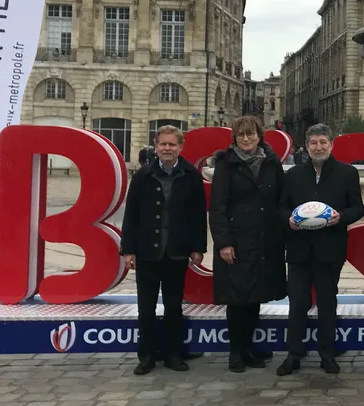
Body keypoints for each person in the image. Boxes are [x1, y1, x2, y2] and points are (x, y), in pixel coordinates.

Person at [276, 124, 364, 376]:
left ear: (331, 144)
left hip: (330, 249)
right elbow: (281, 208)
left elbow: (357, 208)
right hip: (299, 249)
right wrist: (289, 220)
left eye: (323, 142)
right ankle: (294, 354)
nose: (318, 147)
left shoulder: (347, 173)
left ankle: (327, 353)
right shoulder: (293, 175)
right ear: (306, 146)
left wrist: (341, 217)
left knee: (327, 302)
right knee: (297, 303)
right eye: (313, 142)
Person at [120, 125, 207, 376]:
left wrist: (197, 247)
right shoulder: (143, 175)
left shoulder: (190, 175)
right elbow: (131, 214)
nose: (167, 148)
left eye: (172, 144)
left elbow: (198, 215)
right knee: (145, 307)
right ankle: (146, 356)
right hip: (146, 251)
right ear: (156, 146)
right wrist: (128, 250)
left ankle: (173, 354)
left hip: (176, 251)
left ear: (180, 147)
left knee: (173, 306)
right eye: (163, 144)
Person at [209, 116, 287, 372]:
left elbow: (279, 198)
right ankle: (236, 352)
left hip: (264, 240)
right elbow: (217, 207)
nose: (245, 139)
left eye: (250, 134)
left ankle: (250, 349)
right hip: (238, 241)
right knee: (237, 298)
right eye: (240, 135)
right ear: (234, 138)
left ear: (259, 135)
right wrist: (224, 243)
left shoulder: (271, 162)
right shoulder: (226, 164)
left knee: (255, 296)